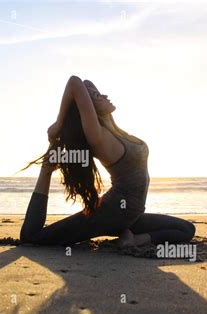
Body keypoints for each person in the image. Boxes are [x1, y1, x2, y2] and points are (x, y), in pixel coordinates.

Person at [20, 75, 195, 247]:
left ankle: (134, 239)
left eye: (100, 93)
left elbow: (85, 83)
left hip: (131, 215)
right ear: (89, 110)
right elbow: (75, 82)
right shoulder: (99, 137)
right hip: (110, 214)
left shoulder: (117, 130)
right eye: (96, 97)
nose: (104, 96)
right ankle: (46, 170)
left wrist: (91, 94)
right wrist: (60, 122)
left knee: (187, 229)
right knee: (32, 237)